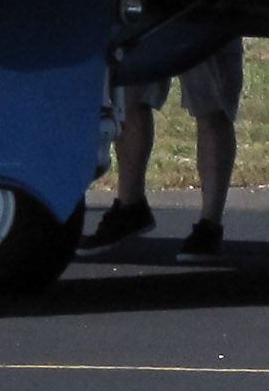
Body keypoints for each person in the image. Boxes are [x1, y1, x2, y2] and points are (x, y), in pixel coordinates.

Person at [89, 33, 241, 255]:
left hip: (208, 9)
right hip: (149, 10)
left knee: (212, 103)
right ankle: (130, 204)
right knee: (128, 93)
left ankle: (210, 223)